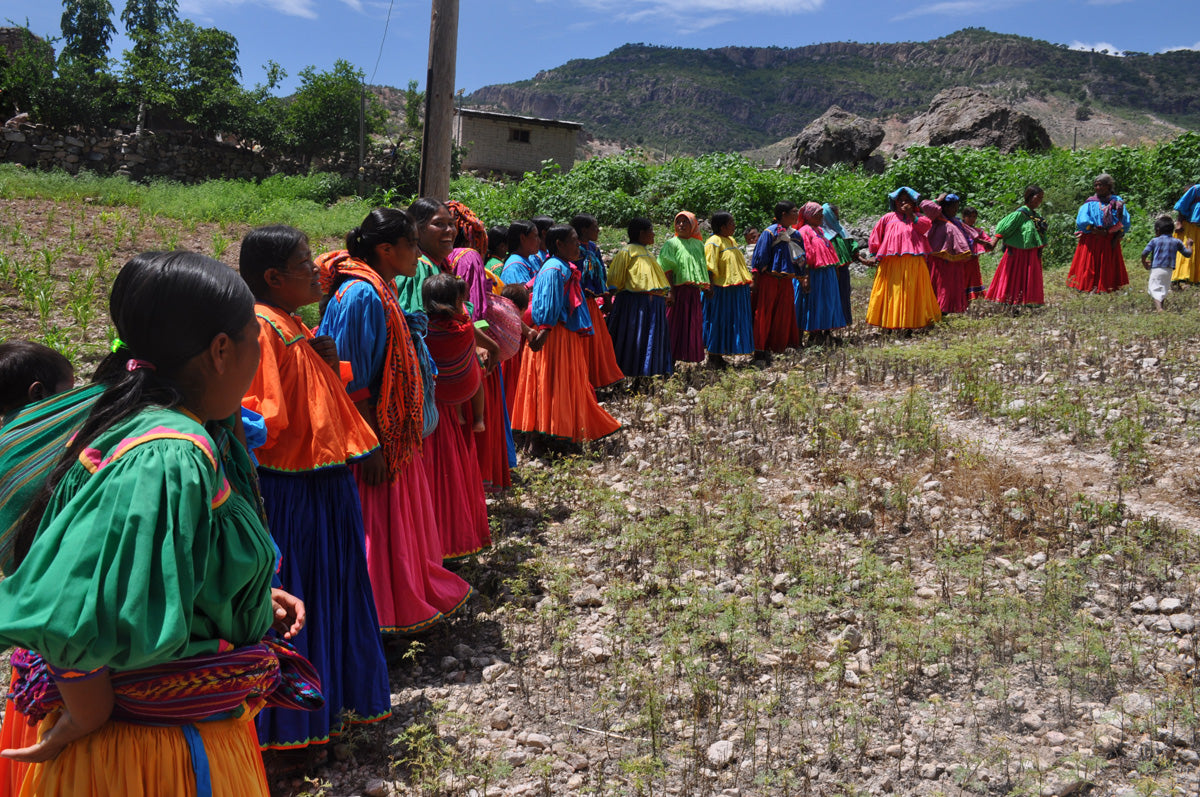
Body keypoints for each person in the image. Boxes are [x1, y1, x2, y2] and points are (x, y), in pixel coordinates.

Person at [0, 251, 312, 796]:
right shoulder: (169, 454)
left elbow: (143, 565)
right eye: (252, 343)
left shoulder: (131, 416)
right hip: (151, 759)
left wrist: (246, 592)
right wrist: (86, 711)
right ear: (220, 350)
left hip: (161, 744)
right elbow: (78, 615)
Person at [237, 225, 391, 757]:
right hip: (292, 491)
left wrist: (325, 362)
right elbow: (257, 421)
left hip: (321, 483)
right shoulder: (262, 327)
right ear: (274, 277)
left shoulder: (291, 325)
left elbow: (316, 404)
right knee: (303, 600)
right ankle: (291, 726)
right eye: (305, 262)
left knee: (329, 591)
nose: (317, 270)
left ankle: (327, 710)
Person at [317, 208, 472, 633]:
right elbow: (353, 379)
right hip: (373, 438)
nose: (417, 252)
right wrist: (370, 444)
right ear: (387, 250)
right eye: (411, 244)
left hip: (387, 433)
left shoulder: (377, 288)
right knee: (376, 530)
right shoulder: (363, 295)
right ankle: (379, 613)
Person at [511, 225, 621, 444]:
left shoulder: (561, 266)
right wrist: (545, 331)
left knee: (557, 381)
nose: (578, 244)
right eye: (573, 240)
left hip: (560, 334)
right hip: (555, 336)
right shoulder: (554, 269)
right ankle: (553, 435)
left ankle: (555, 432)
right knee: (555, 381)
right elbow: (548, 302)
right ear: (559, 244)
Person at [421, 272, 492, 558]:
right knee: (452, 476)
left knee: (431, 479)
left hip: (426, 411)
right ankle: (478, 418)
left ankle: (430, 540)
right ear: (458, 300)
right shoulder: (463, 330)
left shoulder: (421, 330)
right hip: (451, 413)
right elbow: (469, 365)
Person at [444, 201, 511, 494]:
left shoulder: (438, 259)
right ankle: (478, 479)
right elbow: (475, 308)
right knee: (478, 417)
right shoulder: (469, 257)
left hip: (450, 345)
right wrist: (484, 345)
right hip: (473, 343)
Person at [866, 187, 941, 331]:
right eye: (900, 200)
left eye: (907, 200)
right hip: (891, 263)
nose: (903, 203)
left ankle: (912, 323)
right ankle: (890, 323)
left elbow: (924, 228)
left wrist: (911, 215)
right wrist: (875, 254)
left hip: (913, 262)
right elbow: (876, 236)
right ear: (894, 202)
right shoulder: (887, 218)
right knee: (893, 291)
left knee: (911, 291)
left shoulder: (920, 217)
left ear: (914, 203)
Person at [607, 218, 674, 378]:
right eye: (651, 230)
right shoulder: (627, 252)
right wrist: (610, 300)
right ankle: (630, 374)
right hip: (635, 305)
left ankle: (649, 374)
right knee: (635, 339)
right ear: (641, 233)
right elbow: (614, 280)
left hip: (653, 305)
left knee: (650, 340)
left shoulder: (648, 253)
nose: (654, 234)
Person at [571, 213, 624, 390]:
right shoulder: (572, 249)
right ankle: (582, 383)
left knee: (598, 344)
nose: (598, 230)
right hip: (578, 304)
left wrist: (606, 297)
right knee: (583, 344)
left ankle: (597, 381)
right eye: (595, 227)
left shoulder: (593, 248)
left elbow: (601, 275)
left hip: (592, 303)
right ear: (584, 230)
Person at [750, 201, 805, 360]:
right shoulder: (769, 232)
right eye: (794, 212)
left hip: (786, 281)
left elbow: (800, 258)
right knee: (765, 313)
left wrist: (802, 277)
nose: (796, 215)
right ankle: (760, 349)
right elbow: (759, 257)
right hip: (769, 280)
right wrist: (755, 278)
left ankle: (780, 346)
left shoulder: (796, 235)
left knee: (785, 312)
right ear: (783, 214)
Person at [702, 211, 754, 369]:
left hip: (736, 288)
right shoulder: (713, 242)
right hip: (721, 290)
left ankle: (724, 353)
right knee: (718, 321)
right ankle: (714, 356)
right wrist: (709, 286)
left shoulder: (730, 240)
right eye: (731, 223)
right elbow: (709, 266)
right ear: (722, 226)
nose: (734, 226)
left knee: (731, 321)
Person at [658, 211, 710, 364]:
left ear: (693, 225)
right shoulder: (671, 243)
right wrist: (670, 292)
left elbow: (700, 266)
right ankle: (667, 361)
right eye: (678, 222)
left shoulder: (699, 244)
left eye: (685, 222)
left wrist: (705, 286)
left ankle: (685, 357)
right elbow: (666, 268)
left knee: (690, 326)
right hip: (677, 292)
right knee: (673, 325)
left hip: (692, 292)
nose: (681, 225)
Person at [984, 185, 1048, 308]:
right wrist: (994, 242)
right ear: (1029, 196)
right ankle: (1010, 301)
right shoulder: (1020, 214)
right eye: (1037, 197)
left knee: (1028, 278)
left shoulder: (1036, 215)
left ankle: (1027, 301)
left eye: (1041, 198)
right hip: (1018, 253)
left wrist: (1040, 249)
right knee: (1015, 277)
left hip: (1031, 254)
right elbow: (1005, 227)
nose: (1039, 201)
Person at [1067, 173, 1131, 293]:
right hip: (1092, 237)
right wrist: (1093, 229)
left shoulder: (1117, 202)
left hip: (1109, 239)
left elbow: (1125, 221)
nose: (1097, 188)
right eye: (1096, 185)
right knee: (1090, 264)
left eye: (1100, 185)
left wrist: (1115, 234)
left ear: (1108, 186)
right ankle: (1088, 286)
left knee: (1108, 264)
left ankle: (1108, 286)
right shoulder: (1090, 202)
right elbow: (1082, 219)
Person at [795, 202, 847, 344]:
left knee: (826, 303)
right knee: (814, 303)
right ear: (808, 216)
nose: (820, 217)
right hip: (814, 274)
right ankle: (813, 334)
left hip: (826, 273)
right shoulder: (804, 231)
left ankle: (823, 334)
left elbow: (830, 251)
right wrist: (805, 276)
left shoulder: (819, 231)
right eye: (817, 214)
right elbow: (802, 255)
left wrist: (835, 269)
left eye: (821, 214)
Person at [822, 203, 874, 326]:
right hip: (830, 272)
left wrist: (862, 260)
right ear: (828, 216)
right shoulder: (821, 234)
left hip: (843, 270)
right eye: (835, 215)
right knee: (830, 298)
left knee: (843, 295)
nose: (838, 218)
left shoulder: (840, 230)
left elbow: (852, 247)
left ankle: (842, 323)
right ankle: (829, 325)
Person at [924, 194, 973, 315]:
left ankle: (948, 309)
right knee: (941, 285)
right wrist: (938, 200)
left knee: (952, 285)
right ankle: (939, 310)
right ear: (944, 208)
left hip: (954, 261)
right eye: (952, 208)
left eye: (957, 208)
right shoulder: (936, 219)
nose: (955, 211)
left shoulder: (955, 221)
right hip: (939, 261)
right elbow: (925, 205)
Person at [1144, 215, 1194, 311]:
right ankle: (1161, 306)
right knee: (1163, 288)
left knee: (1154, 288)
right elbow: (1187, 254)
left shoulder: (1154, 241)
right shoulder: (1177, 241)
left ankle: (1159, 309)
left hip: (1156, 268)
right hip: (1169, 269)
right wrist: (1190, 245)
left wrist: (1144, 262)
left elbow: (1144, 253)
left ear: (1157, 230)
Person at [960, 206, 994, 301]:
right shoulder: (958, 230)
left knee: (974, 278)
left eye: (974, 217)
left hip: (973, 261)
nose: (972, 219)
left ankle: (972, 298)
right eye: (969, 217)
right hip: (960, 261)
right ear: (963, 217)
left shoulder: (978, 231)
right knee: (961, 279)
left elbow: (989, 242)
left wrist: (987, 243)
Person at [1171, 182, 1200, 286]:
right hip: (1189, 226)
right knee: (1187, 249)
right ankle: (1183, 277)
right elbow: (1182, 206)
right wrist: (1179, 222)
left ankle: (1196, 278)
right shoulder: (1196, 189)